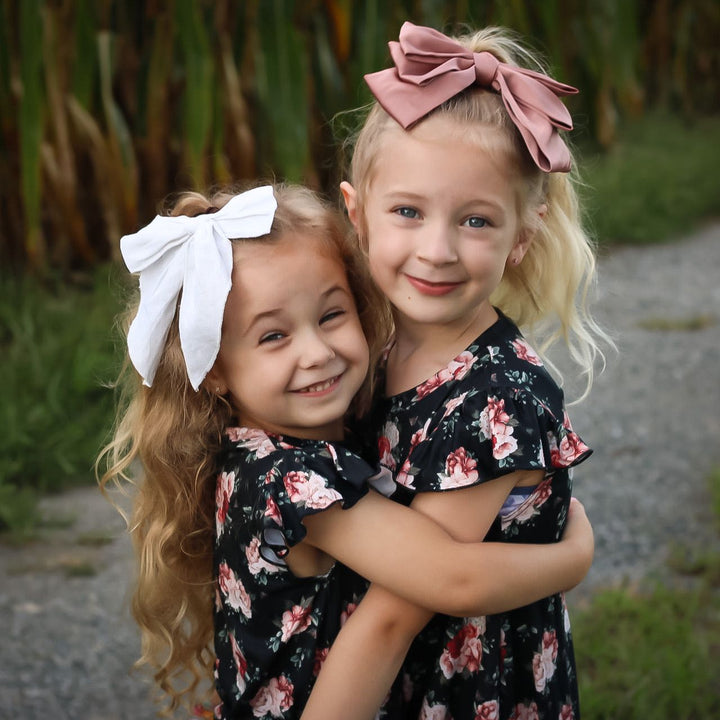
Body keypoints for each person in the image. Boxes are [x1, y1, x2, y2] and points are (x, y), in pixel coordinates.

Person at [98, 183, 594, 720]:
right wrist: (574, 557)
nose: (317, 353)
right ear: (212, 367)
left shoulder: (276, 447)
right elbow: (453, 577)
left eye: (331, 315)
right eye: (273, 337)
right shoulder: (286, 478)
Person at [304, 21, 610, 720]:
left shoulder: (495, 400)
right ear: (358, 215)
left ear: (520, 238)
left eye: (475, 221)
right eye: (408, 211)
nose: (436, 250)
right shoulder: (360, 344)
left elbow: (396, 617)